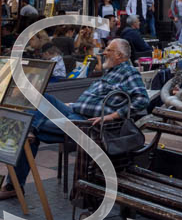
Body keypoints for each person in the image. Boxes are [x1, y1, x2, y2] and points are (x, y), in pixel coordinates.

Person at [0, 38, 149, 199]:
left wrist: (112, 116)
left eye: (108, 50)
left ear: (120, 55)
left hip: (87, 123)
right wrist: (74, 104)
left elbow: (142, 100)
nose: (104, 52)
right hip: (74, 111)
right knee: (39, 97)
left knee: (28, 131)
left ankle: (14, 183)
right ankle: (29, 131)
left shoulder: (129, 72)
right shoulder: (113, 71)